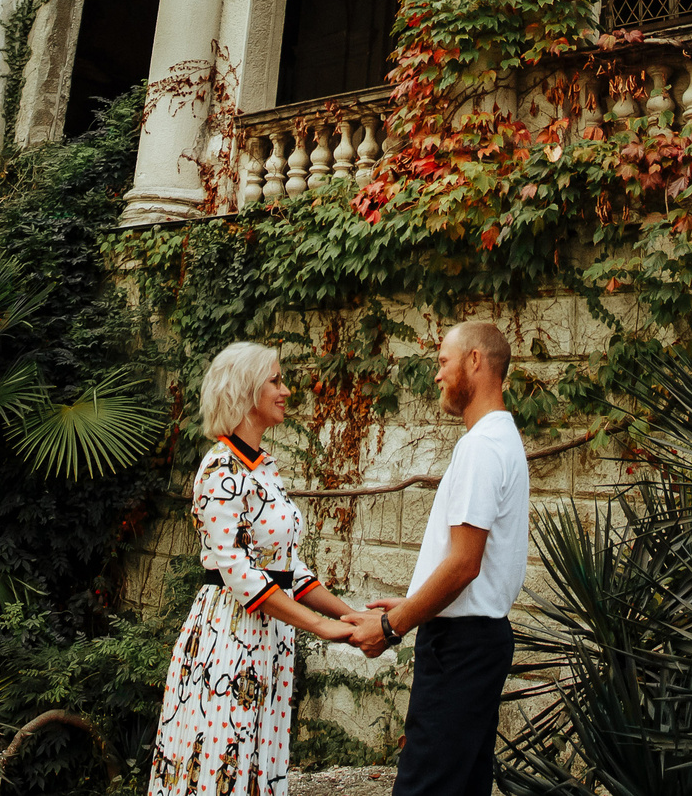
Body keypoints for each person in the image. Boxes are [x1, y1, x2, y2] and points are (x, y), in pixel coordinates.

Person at [148, 339, 367, 796]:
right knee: (222, 765)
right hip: (228, 638)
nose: (287, 390)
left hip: (268, 638)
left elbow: (286, 567)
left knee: (258, 761)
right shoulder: (218, 470)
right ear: (248, 392)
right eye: (276, 380)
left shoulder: (262, 469)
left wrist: (348, 614)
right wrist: (321, 628)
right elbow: (240, 572)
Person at [350, 320, 529, 796]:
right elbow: (472, 566)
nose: (437, 376)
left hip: (459, 649)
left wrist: (393, 626)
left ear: (475, 360)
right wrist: (414, 598)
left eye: (443, 362)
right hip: (478, 642)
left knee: (424, 787)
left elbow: (465, 564)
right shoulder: (503, 439)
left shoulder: (481, 448)